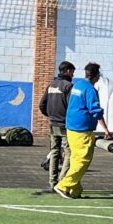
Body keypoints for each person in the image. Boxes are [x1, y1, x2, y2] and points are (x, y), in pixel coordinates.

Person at [54, 62, 112, 199]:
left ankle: (75, 190)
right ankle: (64, 185)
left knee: (75, 158)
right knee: (83, 160)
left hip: (71, 127)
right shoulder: (90, 90)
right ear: (97, 76)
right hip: (82, 129)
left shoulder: (78, 85)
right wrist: (106, 129)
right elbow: (95, 111)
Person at [39, 61, 75, 191]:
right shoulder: (68, 86)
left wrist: (51, 116)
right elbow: (72, 106)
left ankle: (52, 182)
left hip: (53, 123)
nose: (73, 75)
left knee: (54, 152)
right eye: (72, 72)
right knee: (68, 152)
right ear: (67, 71)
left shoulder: (51, 85)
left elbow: (42, 105)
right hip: (65, 124)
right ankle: (62, 181)